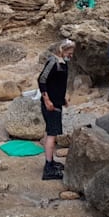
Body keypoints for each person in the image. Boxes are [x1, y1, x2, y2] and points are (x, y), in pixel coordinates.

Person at [37, 38, 75, 180]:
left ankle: (51, 161)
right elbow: (42, 80)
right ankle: (48, 167)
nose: (71, 55)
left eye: (72, 53)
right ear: (62, 50)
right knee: (52, 134)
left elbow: (58, 83)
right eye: (69, 52)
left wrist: (62, 98)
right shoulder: (53, 62)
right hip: (51, 104)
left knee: (50, 133)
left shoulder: (62, 64)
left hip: (56, 102)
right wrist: (47, 99)